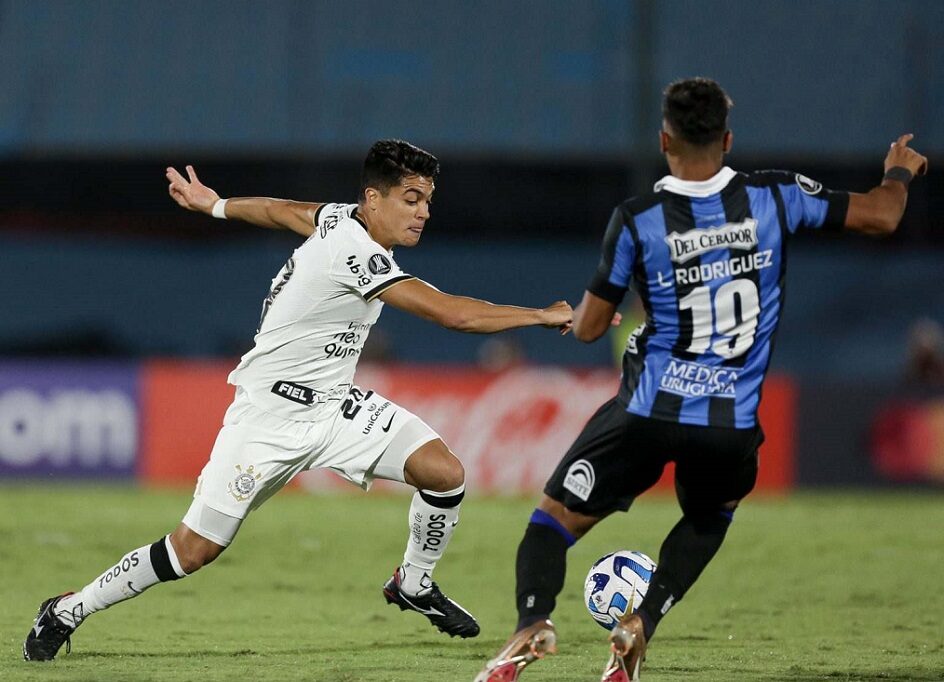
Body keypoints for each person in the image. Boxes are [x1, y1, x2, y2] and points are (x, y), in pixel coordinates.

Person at [24, 139, 573, 662]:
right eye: (411, 199)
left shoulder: (341, 217)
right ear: (374, 198)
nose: (423, 212)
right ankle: (70, 609)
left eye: (428, 200)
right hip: (267, 415)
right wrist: (542, 316)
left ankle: (414, 582)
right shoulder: (354, 251)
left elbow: (284, 210)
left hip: (334, 407)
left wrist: (216, 206)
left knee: (443, 472)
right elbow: (452, 314)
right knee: (194, 550)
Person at [474, 77, 928, 682]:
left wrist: (569, 315)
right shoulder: (775, 196)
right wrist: (897, 172)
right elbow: (882, 215)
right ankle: (642, 622)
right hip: (729, 422)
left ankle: (532, 625)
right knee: (712, 514)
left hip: (647, 411)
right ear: (728, 139)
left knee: (552, 521)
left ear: (665, 140)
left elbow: (589, 330)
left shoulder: (638, 221)